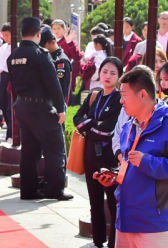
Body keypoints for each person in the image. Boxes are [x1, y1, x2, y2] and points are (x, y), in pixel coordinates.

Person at [94, 65, 168, 246]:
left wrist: (146, 161)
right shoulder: (128, 126)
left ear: (142, 95)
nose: (121, 101)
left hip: (154, 224)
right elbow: (129, 164)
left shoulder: (166, 123)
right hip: (125, 220)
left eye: (124, 95)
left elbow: (145, 163)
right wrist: (115, 177)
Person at [8, 16, 71, 201]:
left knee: (29, 151)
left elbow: (12, 85)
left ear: (21, 33)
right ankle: (54, 189)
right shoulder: (41, 55)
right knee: (55, 149)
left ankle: (28, 190)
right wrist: (61, 108)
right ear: (37, 34)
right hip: (41, 108)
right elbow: (54, 85)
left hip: (22, 106)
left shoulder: (13, 56)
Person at [74, 56, 123, 248]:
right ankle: (97, 241)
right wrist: (94, 123)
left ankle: (113, 242)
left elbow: (108, 130)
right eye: (104, 71)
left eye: (113, 73)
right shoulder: (94, 94)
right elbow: (77, 120)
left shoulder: (119, 98)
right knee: (94, 200)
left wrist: (90, 123)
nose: (108, 76)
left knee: (112, 201)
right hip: (90, 155)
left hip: (108, 156)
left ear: (119, 76)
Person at [40, 27, 73, 103]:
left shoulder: (61, 61)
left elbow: (61, 90)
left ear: (53, 42)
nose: (41, 48)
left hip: (56, 106)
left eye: (43, 45)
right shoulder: (47, 56)